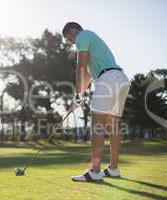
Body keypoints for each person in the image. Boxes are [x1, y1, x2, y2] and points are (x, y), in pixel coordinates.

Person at [62, 22, 130, 182]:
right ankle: (113, 169)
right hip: (121, 79)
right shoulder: (93, 42)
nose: (71, 42)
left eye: (68, 38)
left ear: (72, 31)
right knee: (113, 126)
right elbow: (87, 78)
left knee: (97, 126)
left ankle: (95, 171)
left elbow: (81, 67)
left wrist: (78, 95)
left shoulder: (82, 36)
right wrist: (77, 97)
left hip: (107, 80)